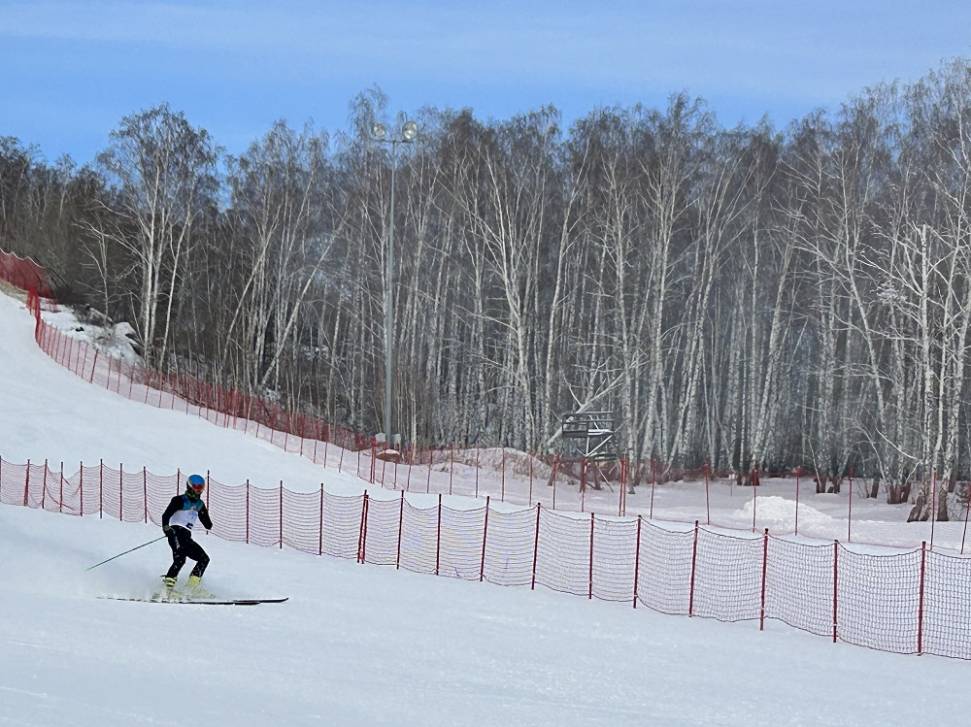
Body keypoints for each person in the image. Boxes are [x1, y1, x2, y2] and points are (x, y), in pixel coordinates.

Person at [161, 473, 213, 597]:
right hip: (175, 532)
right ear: (189, 486)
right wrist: (166, 528)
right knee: (180, 559)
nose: (198, 490)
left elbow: (208, 524)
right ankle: (167, 590)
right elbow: (166, 515)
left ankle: (191, 588)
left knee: (204, 559)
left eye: (201, 487)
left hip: (186, 536)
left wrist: (203, 512)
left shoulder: (199, 504)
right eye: (196, 487)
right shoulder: (179, 500)